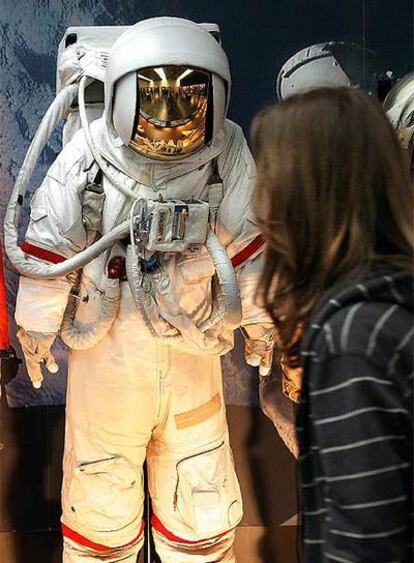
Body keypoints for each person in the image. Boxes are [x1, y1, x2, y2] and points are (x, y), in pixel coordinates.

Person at [10, 17, 275, 563]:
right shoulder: (91, 153)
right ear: (127, 94)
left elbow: (250, 243)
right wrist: (36, 326)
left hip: (189, 344)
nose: (172, 121)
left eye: (187, 103)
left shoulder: (224, 155)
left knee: (198, 491)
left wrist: (261, 322)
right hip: (109, 349)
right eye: (157, 101)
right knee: (101, 497)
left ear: (215, 98)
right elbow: (50, 239)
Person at [251, 87, 413, 562]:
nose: (258, 203)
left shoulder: (354, 341)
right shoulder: (390, 304)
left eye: (269, 178)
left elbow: (365, 540)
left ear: (302, 195)